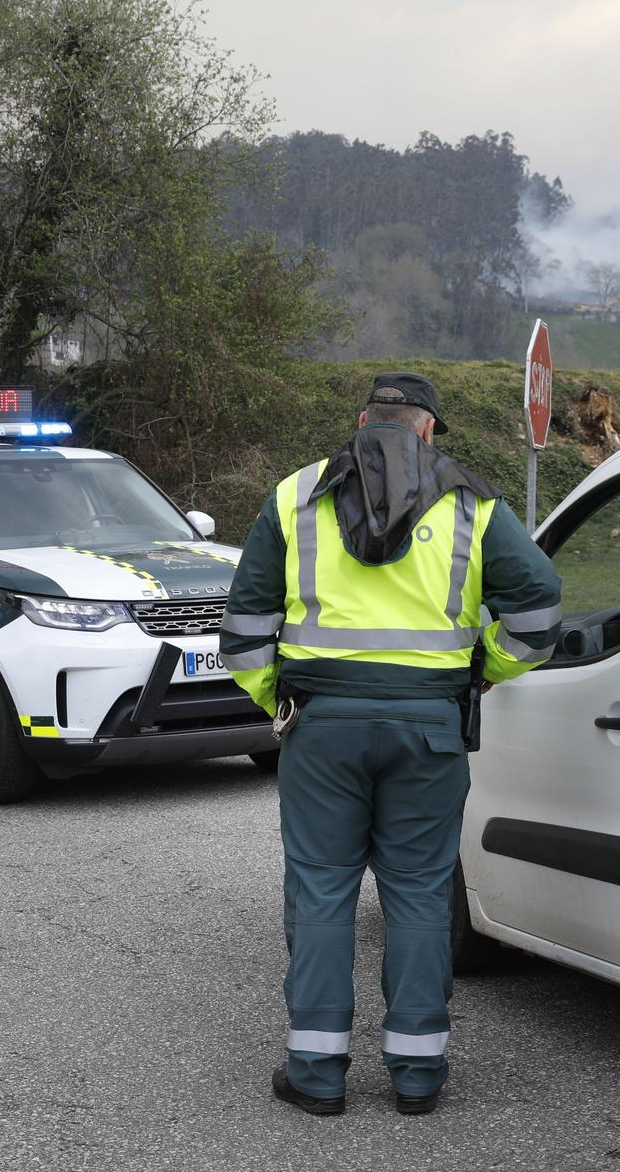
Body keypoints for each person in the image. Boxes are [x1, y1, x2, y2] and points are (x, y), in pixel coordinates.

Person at [220, 373, 562, 1116]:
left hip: (321, 725)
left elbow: (243, 637)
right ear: (429, 429)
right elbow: (539, 616)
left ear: (361, 421)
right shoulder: (475, 503)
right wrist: (482, 672)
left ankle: (316, 1071)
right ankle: (416, 1074)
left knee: (321, 890)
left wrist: (279, 699)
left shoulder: (295, 497)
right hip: (430, 728)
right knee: (417, 892)